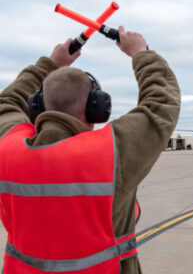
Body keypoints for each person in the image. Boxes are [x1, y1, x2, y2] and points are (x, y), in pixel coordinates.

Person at [0, 26, 181, 273]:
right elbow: (162, 103)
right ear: (98, 108)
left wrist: (50, 64)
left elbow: (7, 102)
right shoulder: (110, 153)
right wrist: (140, 52)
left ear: (37, 107)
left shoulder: (8, 150)